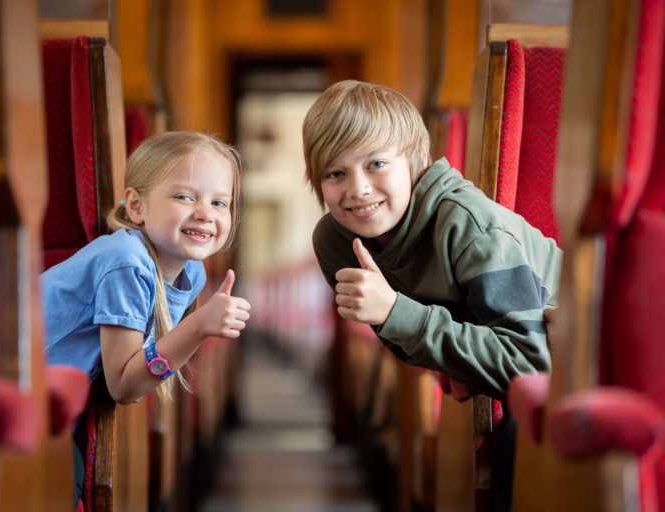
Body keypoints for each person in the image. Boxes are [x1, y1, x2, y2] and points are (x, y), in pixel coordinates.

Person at [303, 79, 561, 510]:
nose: (358, 189)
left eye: (377, 164)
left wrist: (398, 313)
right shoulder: (336, 241)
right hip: (521, 376)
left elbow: (531, 367)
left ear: (418, 160)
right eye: (335, 172)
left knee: (523, 443)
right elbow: (411, 351)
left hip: (587, 362)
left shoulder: (470, 225)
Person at [40, 131, 251, 506]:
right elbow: (124, 383)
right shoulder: (125, 262)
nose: (205, 212)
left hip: (54, 405)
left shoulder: (193, 272)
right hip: (22, 399)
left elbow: (147, 361)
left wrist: (194, 326)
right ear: (136, 206)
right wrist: (199, 325)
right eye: (185, 196)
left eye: (220, 202)